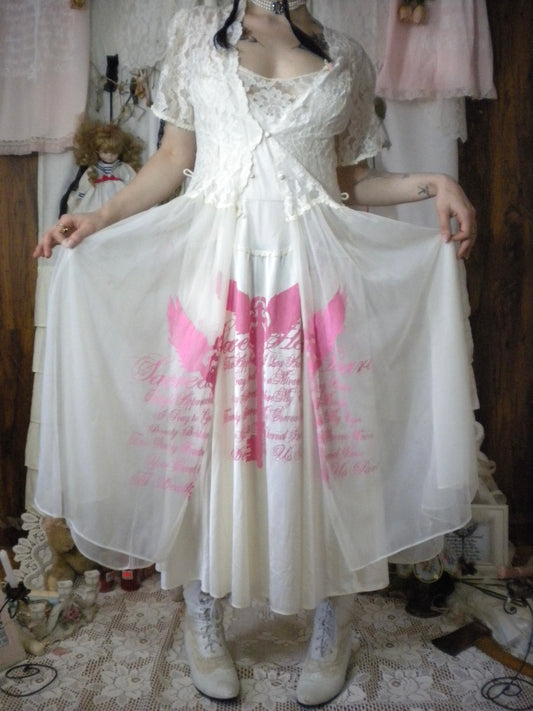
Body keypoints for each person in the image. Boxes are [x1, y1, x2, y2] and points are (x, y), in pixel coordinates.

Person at [33, 0, 478, 705]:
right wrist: (100, 216)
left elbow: (349, 183)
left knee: (322, 447)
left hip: (314, 280)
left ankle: (333, 619)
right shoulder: (196, 32)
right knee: (210, 446)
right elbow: (173, 160)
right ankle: (203, 614)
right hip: (216, 274)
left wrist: (432, 183)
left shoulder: (346, 55)